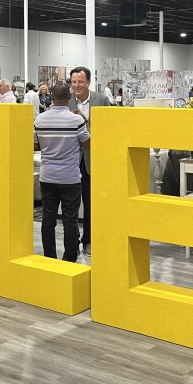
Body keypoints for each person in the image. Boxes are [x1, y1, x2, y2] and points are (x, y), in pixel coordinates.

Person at [35, 82, 90, 263]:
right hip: (70, 177)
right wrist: (84, 119)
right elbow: (87, 144)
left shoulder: (40, 119)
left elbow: (36, 144)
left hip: (47, 175)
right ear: (69, 97)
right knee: (70, 220)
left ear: (51, 96)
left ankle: (49, 258)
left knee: (48, 219)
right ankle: (69, 260)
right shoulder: (76, 120)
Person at [67, 66, 112, 257]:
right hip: (70, 160)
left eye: (80, 82)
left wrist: (86, 123)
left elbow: (109, 127)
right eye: (74, 82)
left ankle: (88, 240)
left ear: (88, 83)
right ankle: (72, 244)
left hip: (92, 159)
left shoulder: (101, 100)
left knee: (90, 202)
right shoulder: (64, 101)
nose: (76, 85)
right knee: (70, 205)